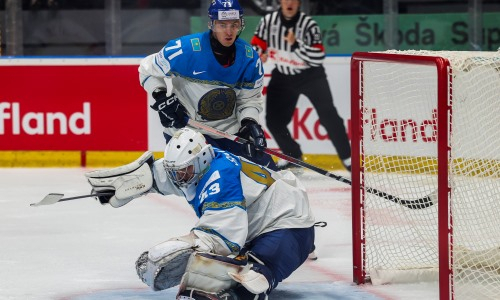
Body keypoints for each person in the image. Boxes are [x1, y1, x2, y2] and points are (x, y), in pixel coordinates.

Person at [85, 127, 316, 300]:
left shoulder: (221, 175)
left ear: (202, 159)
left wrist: (183, 246)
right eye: (176, 171)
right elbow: (162, 174)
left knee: (250, 281)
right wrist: (126, 184)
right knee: (209, 280)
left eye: (183, 171)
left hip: (288, 227)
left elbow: (222, 237)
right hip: (256, 228)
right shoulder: (196, 164)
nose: (179, 177)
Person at [138, 0, 276, 170]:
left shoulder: (249, 59)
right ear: (211, 24)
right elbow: (146, 69)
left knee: (270, 177)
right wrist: (160, 96)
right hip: (190, 135)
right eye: (222, 25)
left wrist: (249, 123)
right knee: (221, 182)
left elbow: (250, 100)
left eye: (234, 25)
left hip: (229, 134)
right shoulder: (185, 50)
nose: (229, 31)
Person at [250, 0, 352, 171]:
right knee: (274, 121)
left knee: (329, 117)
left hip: (310, 75)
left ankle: (347, 158)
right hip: (283, 75)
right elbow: (257, 44)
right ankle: (293, 155)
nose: (289, 3)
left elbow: (318, 56)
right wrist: (260, 53)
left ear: (298, 3)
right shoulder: (268, 22)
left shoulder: (308, 25)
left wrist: (296, 44)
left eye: (293, 0)